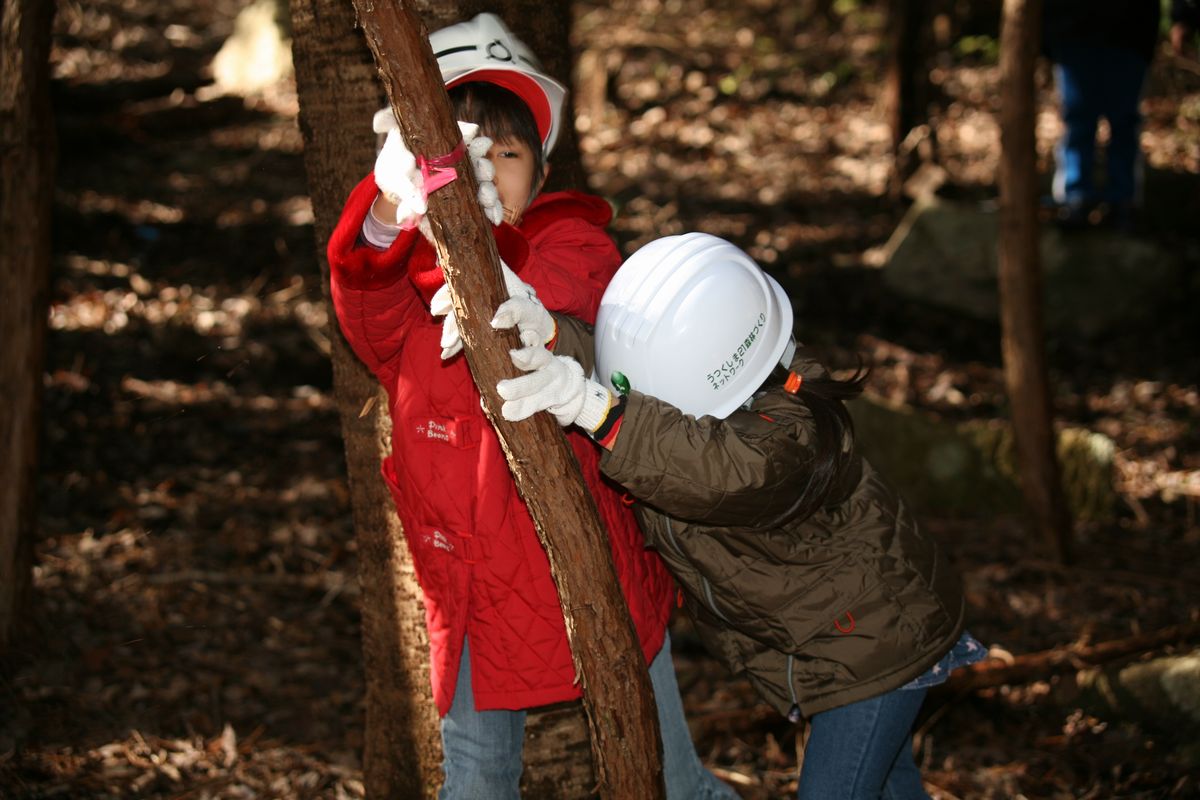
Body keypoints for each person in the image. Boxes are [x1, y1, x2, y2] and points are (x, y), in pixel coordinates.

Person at [326, 14, 736, 800]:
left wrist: (483, 254)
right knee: (476, 781)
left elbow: (565, 303)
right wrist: (385, 209)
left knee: (672, 781)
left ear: (541, 176)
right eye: (467, 149)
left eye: (507, 153)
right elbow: (361, 292)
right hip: (477, 581)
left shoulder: (571, 243)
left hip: (594, 562)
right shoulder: (410, 293)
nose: (489, 167)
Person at [475, 232, 987, 799]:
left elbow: (720, 467)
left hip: (875, 647)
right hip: (843, 642)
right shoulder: (713, 370)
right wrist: (551, 332)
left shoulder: (792, 432)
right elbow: (641, 370)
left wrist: (599, 411)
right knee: (892, 786)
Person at [1042, 0, 1200, 231]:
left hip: (1130, 31)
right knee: (1078, 121)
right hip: (1073, 30)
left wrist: (1184, 16)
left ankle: (1123, 202)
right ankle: (1075, 199)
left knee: (1124, 121)